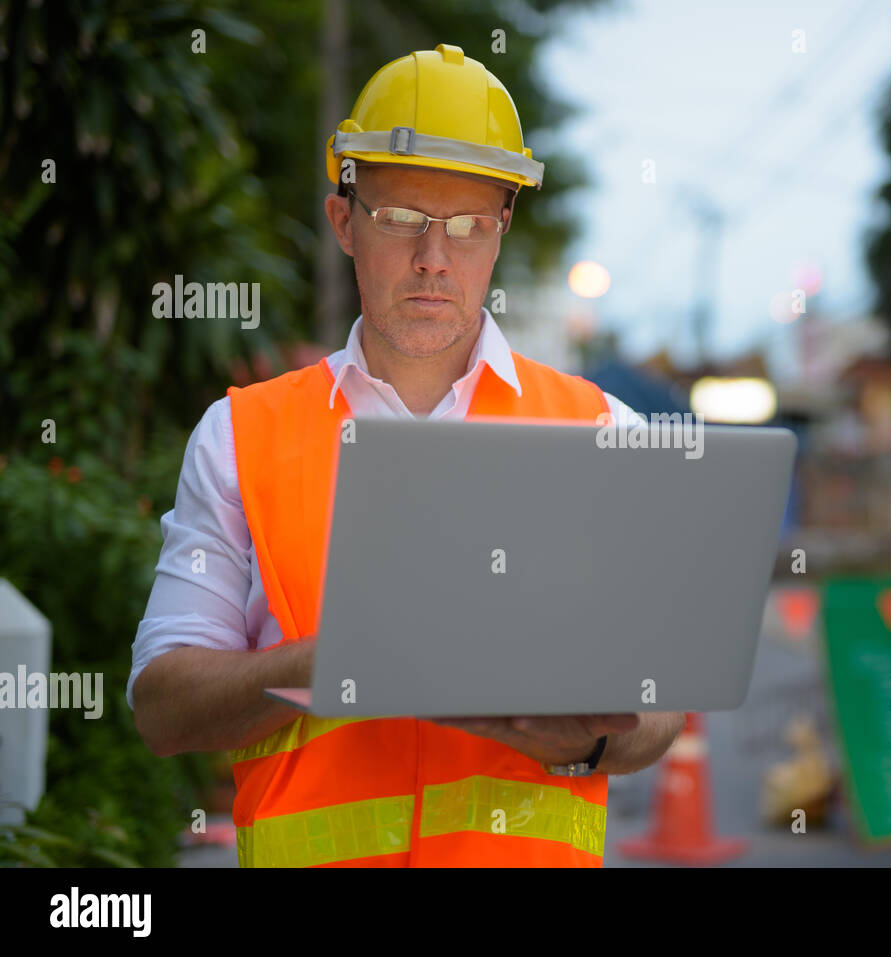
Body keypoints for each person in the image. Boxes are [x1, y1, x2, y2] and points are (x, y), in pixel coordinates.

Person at [129, 45, 686, 867]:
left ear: (500, 233)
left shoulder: (603, 426)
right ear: (345, 222)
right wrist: (321, 665)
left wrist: (590, 741)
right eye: (402, 220)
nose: (434, 258)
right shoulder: (240, 435)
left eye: (466, 226)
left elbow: (663, 709)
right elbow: (162, 708)